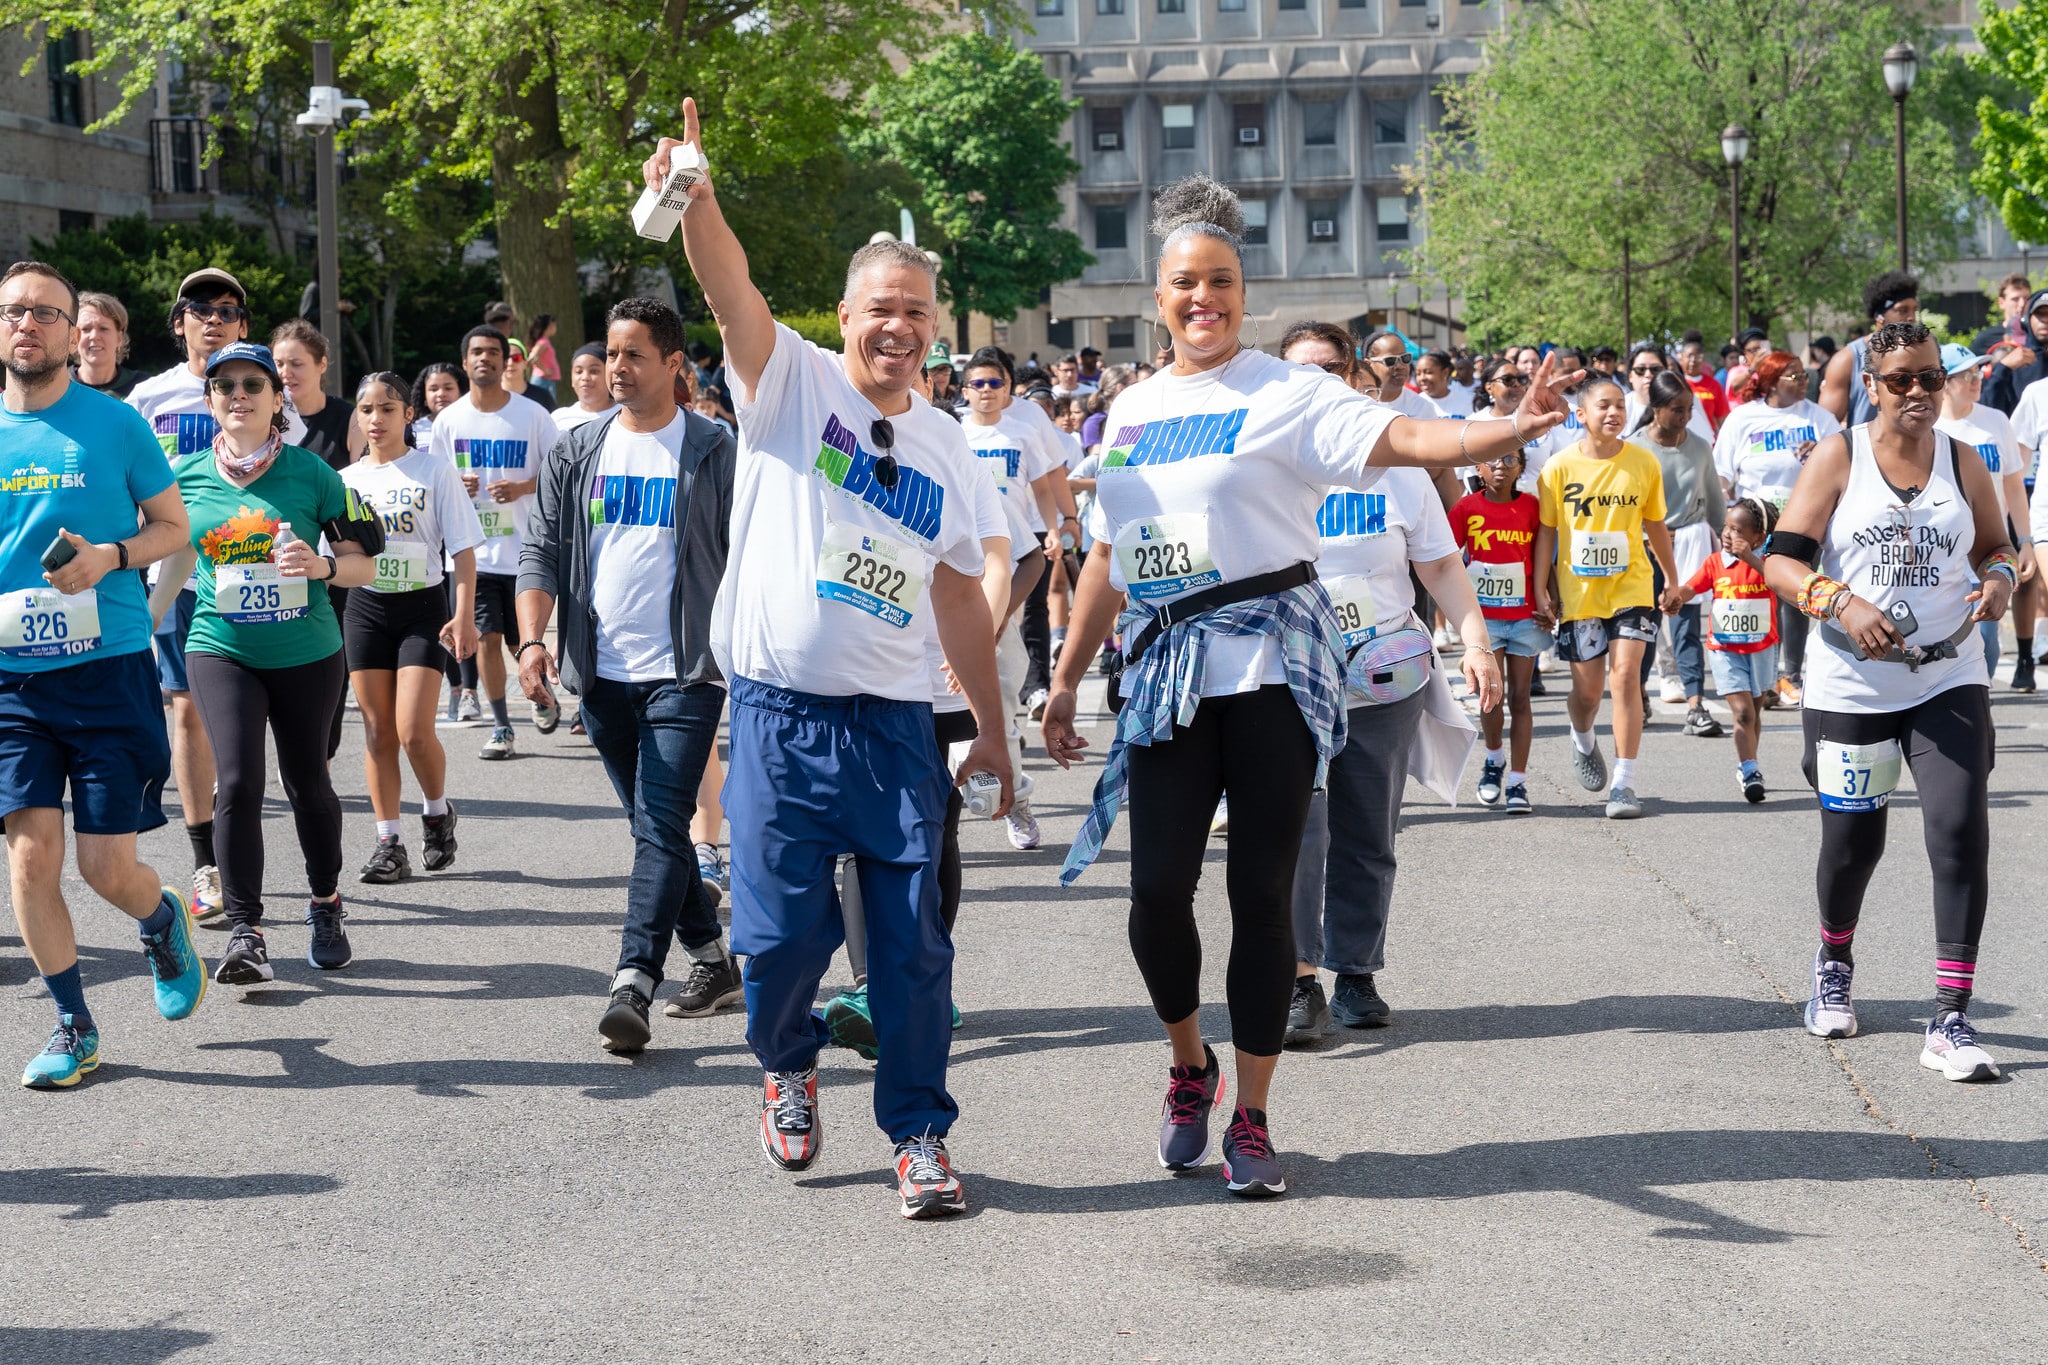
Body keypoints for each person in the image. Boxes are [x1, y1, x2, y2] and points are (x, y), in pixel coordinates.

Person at [1040, 174, 1576, 1200]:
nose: (1203, 298)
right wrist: (1065, 679)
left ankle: (1251, 1113)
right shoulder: (1131, 410)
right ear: (1157, 298)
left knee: (1260, 895)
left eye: (1222, 282)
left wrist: (1500, 432)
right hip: (1167, 674)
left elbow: (1405, 442)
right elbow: (1108, 555)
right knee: (1154, 892)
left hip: (1273, 671)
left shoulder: (1286, 392)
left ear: (1245, 293)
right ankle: (1188, 1062)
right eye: (1185, 284)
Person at [651, 101, 1016, 1219]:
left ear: (934, 328)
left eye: (916, 312)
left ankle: (919, 1133)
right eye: (879, 309)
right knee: (773, 943)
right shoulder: (790, 383)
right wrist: (698, 195)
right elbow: (727, 289)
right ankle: (787, 1062)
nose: (897, 328)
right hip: (778, 717)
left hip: (895, 726)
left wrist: (992, 729)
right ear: (845, 315)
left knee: (911, 949)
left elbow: (958, 592)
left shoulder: (948, 448)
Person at [1762, 320, 2015, 1082]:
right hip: (1853, 683)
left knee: (1959, 828)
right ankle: (1834, 958)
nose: (1918, 392)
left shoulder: (1963, 460)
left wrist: (2000, 580)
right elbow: (1780, 562)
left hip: (1948, 674)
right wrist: (1840, 602)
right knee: (1853, 843)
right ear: (1870, 386)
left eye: (1930, 377)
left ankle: (1951, 1018)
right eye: (1900, 379)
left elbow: (1996, 547)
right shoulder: (1839, 456)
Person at [517, 296, 742, 1051]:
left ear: (674, 364)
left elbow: (747, 552)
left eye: (634, 354)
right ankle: (712, 957)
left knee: (662, 824)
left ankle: (633, 981)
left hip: (687, 671)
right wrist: (533, 640)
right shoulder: (577, 450)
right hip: (601, 672)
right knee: (656, 829)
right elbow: (541, 550)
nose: (617, 367)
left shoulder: (714, 450)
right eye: (611, 353)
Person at [1, 260, 207, 1088]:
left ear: (70, 331)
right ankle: (74, 1024)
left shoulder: (117, 424)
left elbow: (174, 529)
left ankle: (159, 920)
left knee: (105, 867)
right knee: (29, 857)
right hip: (12, 680)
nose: (28, 324)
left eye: (46, 313)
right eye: (14, 311)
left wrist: (111, 557)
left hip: (107, 667)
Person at [1277, 322, 1497, 1044]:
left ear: (1354, 379)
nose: (1316, 383)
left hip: (1383, 675)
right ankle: (1298, 980)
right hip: (1285, 677)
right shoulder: (1262, 462)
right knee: (1297, 830)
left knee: (1368, 829)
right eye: (1301, 370)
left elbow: (1439, 564)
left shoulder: (1397, 469)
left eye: (1330, 369)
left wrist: (1476, 642)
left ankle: (1355, 972)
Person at [148, 341, 381, 987]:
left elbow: (365, 564)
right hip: (221, 647)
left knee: (308, 783)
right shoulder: (186, 476)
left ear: (278, 399)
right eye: (225, 386)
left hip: (308, 652)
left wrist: (322, 565)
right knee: (238, 782)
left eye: (254, 384)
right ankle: (247, 930)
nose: (239, 395)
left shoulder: (314, 473)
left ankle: (326, 904)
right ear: (210, 401)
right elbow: (179, 554)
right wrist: (146, 619)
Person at [129, 269, 305, 923]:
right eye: (199, 307)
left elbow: (295, 472)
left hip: (258, 576)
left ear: (243, 325)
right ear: (179, 322)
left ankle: (268, 842)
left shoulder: (268, 391)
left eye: (228, 310)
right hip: (179, 574)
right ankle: (207, 861)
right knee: (187, 714)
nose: (214, 318)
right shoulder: (148, 398)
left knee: (264, 727)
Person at [341, 372, 481, 882]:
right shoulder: (345, 480)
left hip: (423, 609)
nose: (376, 419)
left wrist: (463, 614)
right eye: (366, 409)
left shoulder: (433, 470)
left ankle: (437, 813)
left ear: (408, 415)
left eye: (387, 409)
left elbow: (462, 551)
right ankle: (388, 843)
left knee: (414, 732)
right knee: (378, 732)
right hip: (365, 608)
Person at [1532, 376, 1678, 820]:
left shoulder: (1643, 462)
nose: (1614, 413)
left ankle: (1624, 783)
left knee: (1626, 677)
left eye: (1620, 405)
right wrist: (1540, 586)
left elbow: (1655, 525)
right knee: (1589, 691)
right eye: (1603, 406)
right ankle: (1582, 737)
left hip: (1633, 586)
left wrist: (1672, 579)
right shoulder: (1557, 468)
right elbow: (1547, 531)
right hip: (1580, 594)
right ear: (1581, 414)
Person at [427, 325, 560, 757]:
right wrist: (454, 484)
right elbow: (432, 481)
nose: (484, 358)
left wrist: (523, 487)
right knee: (486, 637)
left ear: (506, 362)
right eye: (477, 352)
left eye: (493, 352)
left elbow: (560, 476)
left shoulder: (533, 415)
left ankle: (540, 690)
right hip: (473, 555)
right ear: (465, 362)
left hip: (525, 553)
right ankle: (502, 725)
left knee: (520, 643)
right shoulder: (449, 420)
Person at [956, 345, 1061, 848]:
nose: (985, 391)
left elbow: (1031, 557)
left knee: (996, 716)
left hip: (990, 621)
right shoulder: (903, 481)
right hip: (918, 634)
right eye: (976, 384)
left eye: (994, 382)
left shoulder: (983, 488)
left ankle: (1016, 803)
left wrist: (997, 617)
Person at [1714, 351, 1840, 710]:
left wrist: (1820, 455)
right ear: (1769, 382)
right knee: (1759, 595)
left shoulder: (1819, 418)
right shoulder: (1743, 418)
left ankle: (1791, 675)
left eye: (1804, 376)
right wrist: (1725, 516)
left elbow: (1844, 464)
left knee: (1796, 596)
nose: (1803, 382)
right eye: (1794, 376)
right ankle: (1762, 678)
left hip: (1804, 522)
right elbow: (1722, 474)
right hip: (1755, 525)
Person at [1933, 343, 2035, 687]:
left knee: (1988, 636)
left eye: (1978, 372)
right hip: (1942, 552)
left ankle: (1980, 696)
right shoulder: (1930, 429)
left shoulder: (1996, 421)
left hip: (1989, 549)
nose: (1976, 380)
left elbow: (2013, 485)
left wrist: (2024, 541)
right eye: (1966, 375)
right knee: (1946, 635)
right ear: (1944, 382)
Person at [1453, 446, 1549, 811]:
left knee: (1521, 698)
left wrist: (1550, 600)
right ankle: (1494, 760)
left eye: (1510, 460)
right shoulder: (1465, 508)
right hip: (1484, 621)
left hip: (1524, 617)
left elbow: (1545, 558)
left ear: (1521, 467)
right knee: (1491, 695)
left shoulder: (1532, 507)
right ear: (1478, 467)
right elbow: (1446, 560)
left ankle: (1518, 783)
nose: (1500, 466)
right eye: (1493, 460)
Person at [1663, 497, 1777, 802]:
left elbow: (1777, 582)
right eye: (1726, 527)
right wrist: (1677, 597)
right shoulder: (1715, 562)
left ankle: (1750, 762)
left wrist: (1749, 558)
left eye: (1737, 530)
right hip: (1725, 649)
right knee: (1742, 712)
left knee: (1753, 713)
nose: (1727, 534)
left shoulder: (1768, 561)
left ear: (1758, 538)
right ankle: (1749, 770)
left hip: (1762, 648)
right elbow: (1692, 587)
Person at [1630, 372, 1725, 735]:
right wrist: (1649, 532)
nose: (1685, 417)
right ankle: (1639, 694)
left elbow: (1714, 502)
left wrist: (1727, 542)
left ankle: (1696, 705)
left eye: (1689, 409)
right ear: (1656, 408)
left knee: (1686, 627)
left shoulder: (1699, 447)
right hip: (1644, 549)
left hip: (1689, 544)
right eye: (1676, 409)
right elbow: (1625, 507)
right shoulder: (1634, 449)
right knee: (1645, 626)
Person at [1819, 271, 1919, 426]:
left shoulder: (1921, 353)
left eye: (1914, 310)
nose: (1911, 317)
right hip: (1867, 441)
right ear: (1879, 316)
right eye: (1902, 310)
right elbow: (1824, 424)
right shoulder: (1847, 359)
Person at [271, 320, 356, 471]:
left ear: (322, 365)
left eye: (296, 364)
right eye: (279, 364)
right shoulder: (265, 418)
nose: (285, 373)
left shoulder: (349, 419)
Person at [1982, 287, 2048, 417]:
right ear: (2026, 320)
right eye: (2040, 313)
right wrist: (2002, 369)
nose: (2045, 319)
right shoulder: (2013, 363)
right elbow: (1988, 410)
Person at [71, 292, 141, 398]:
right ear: (74, 337)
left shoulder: (144, 387)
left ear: (120, 338)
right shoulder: (54, 386)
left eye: (103, 329)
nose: (94, 336)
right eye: (86, 329)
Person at [552, 342, 617, 433]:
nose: (585, 377)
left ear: (609, 375)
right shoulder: (558, 418)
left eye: (594, 371)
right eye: (579, 371)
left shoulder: (626, 415)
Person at [1674, 331, 1730, 433]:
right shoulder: (1675, 383)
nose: (1693, 360)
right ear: (1681, 358)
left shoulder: (1713, 385)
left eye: (1697, 356)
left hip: (1707, 440)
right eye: (1689, 356)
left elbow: (1723, 420)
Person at [1971, 273, 2032, 355]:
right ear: (2001, 303)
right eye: (2015, 299)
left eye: (2027, 298)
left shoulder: (2040, 335)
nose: (2022, 304)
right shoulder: (1985, 340)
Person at [1416, 349, 1471, 418]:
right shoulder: (1414, 404)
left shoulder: (1467, 401)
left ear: (1445, 372)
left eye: (1428, 372)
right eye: (1418, 373)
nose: (1422, 378)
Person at [526, 314, 560, 400]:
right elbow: (532, 357)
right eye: (554, 324)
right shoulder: (543, 342)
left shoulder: (544, 341)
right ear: (550, 325)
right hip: (543, 380)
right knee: (547, 405)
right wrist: (545, 370)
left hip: (545, 380)